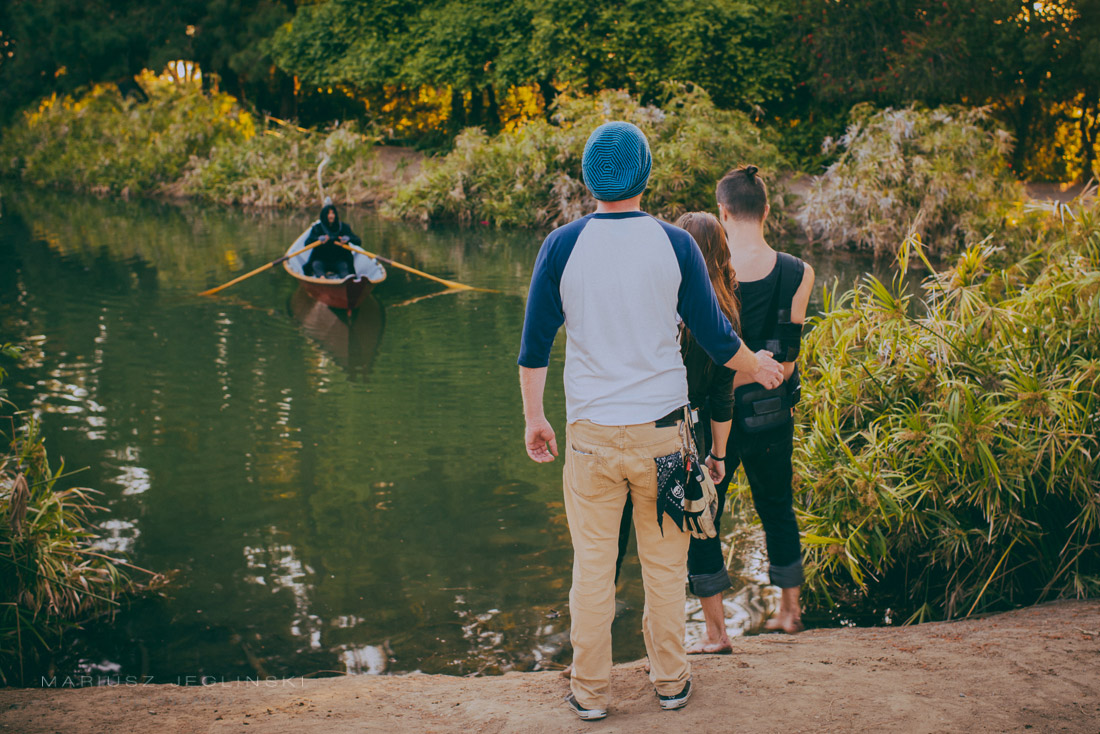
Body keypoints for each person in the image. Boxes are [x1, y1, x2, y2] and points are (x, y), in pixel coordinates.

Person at [518, 121, 784, 721]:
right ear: (646, 175)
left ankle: (590, 693)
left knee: (592, 570)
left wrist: (535, 418)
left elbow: (534, 348)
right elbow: (717, 339)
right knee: (664, 569)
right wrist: (758, 365)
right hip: (666, 438)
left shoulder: (561, 246)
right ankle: (670, 683)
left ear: (590, 179)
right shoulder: (677, 244)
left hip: (590, 441)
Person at [687, 165, 815, 653]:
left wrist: (732, 372)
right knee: (778, 507)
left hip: (714, 419)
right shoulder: (798, 272)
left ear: (722, 212)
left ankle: (716, 633)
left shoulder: (706, 268)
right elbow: (785, 359)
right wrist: (762, 369)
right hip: (773, 414)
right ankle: (788, 613)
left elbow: (703, 356)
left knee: (703, 518)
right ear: (766, 210)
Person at [303, 202, 362, 279]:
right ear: (324, 215)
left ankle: (346, 280)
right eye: (328, 214)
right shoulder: (317, 228)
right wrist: (317, 239)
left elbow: (358, 241)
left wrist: (348, 238)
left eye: (333, 213)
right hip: (321, 260)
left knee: (344, 268)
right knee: (316, 265)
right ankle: (322, 279)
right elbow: (307, 243)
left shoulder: (344, 227)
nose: (331, 216)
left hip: (339, 260)